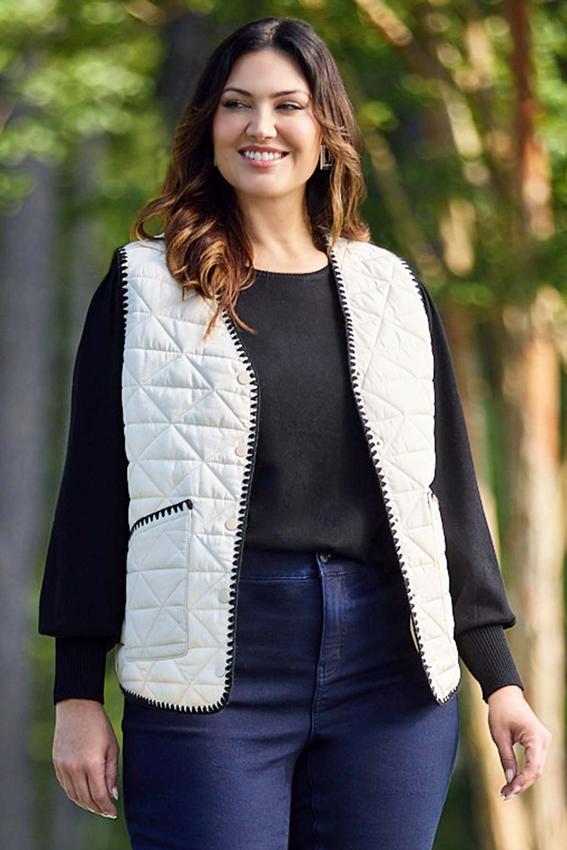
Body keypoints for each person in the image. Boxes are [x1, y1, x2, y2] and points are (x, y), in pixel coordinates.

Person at [38, 15, 551, 850]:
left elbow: (445, 497)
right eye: (237, 104)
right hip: (210, 671)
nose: (261, 126)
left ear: (325, 130)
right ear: (208, 124)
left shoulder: (391, 290)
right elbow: (94, 493)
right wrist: (76, 692)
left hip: (389, 675)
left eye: (287, 105)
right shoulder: (143, 287)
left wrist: (499, 680)